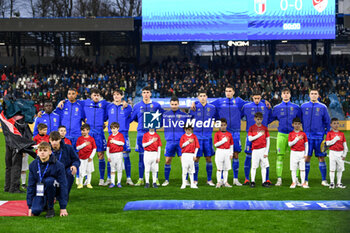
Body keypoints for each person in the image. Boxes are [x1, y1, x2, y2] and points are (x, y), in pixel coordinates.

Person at [131, 86, 164, 186]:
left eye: (147, 92)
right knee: (141, 158)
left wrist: (159, 125)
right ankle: (141, 179)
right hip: (141, 134)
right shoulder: (137, 106)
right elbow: (133, 118)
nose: (146, 94)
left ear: (150, 94)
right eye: (144, 92)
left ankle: (155, 179)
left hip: (153, 134)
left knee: (155, 158)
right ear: (141, 94)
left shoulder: (156, 105)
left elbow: (162, 116)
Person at [27, 142, 68, 218]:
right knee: (36, 211)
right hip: (40, 191)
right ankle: (44, 203)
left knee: (49, 181)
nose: (42, 152)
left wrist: (63, 207)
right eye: (40, 150)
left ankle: (50, 208)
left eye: (45, 150)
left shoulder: (58, 165)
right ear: (37, 152)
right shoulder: (33, 165)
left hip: (54, 189)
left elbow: (63, 185)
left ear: (50, 152)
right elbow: (31, 186)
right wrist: (29, 207)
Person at [271, 88, 302, 186]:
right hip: (281, 135)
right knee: (280, 156)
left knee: (296, 157)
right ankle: (279, 179)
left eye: (287, 93)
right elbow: (270, 119)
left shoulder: (296, 107)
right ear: (281, 95)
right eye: (284, 93)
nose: (285, 95)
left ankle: (296, 179)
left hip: (294, 135)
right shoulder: (276, 108)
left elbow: (302, 120)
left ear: (290, 95)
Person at [301, 88, 331, 186]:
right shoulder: (303, 106)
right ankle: (305, 180)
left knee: (321, 158)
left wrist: (328, 136)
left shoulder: (323, 107)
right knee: (307, 158)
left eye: (315, 94)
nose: (313, 95)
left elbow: (328, 122)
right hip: (307, 138)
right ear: (309, 95)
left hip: (319, 137)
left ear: (318, 95)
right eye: (312, 93)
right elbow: (299, 120)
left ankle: (324, 180)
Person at [241, 91, 272, 185]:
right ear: (252, 98)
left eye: (259, 98)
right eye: (255, 98)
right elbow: (241, 115)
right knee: (248, 156)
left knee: (265, 158)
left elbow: (271, 116)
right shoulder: (247, 106)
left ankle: (266, 179)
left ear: (261, 98)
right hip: (250, 134)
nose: (257, 100)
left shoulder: (266, 106)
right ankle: (247, 179)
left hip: (262, 135)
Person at [189, 89, 217, 186]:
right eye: (200, 96)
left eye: (204, 96)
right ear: (198, 97)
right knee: (196, 159)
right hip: (197, 138)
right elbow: (189, 121)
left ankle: (209, 180)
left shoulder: (212, 108)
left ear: (207, 97)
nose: (202, 97)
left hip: (208, 137)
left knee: (209, 158)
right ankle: (195, 180)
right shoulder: (194, 108)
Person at [82, 89, 109, 186]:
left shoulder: (104, 104)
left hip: (99, 133)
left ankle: (102, 179)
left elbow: (106, 116)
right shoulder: (85, 103)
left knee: (100, 155)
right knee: (87, 156)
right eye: (94, 95)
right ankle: (86, 179)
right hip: (88, 133)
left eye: (98, 95)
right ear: (91, 96)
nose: (96, 97)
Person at [106, 89, 133, 186]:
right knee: (111, 157)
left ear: (122, 96)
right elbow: (105, 117)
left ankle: (128, 178)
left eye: (118, 95)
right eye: (114, 95)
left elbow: (131, 117)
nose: (116, 96)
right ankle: (109, 178)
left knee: (126, 156)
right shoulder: (109, 107)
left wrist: (125, 125)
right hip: (111, 135)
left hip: (124, 134)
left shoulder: (127, 107)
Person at [162, 96, 190, 186]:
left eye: (175, 104)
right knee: (167, 161)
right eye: (172, 104)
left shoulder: (184, 116)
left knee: (184, 162)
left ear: (178, 104)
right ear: (170, 104)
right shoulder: (165, 115)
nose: (174, 106)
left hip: (181, 143)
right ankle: (166, 180)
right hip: (169, 141)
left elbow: (188, 128)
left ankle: (185, 180)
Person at [247, 112, 271, 188]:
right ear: (255, 119)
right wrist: (259, 135)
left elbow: (268, 140)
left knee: (263, 166)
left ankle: (264, 182)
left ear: (262, 119)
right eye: (257, 119)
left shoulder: (265, 128)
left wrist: (266, 151)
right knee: (254, 166)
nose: (259, 121)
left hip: (263, 150)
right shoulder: (251, 128)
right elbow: (250, 139)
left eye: (260, 119)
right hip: (255, 150)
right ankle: (253, 181)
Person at [326, 118, 348, 189]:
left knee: (340, 169)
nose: (336, 125)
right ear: (331, 125)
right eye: (334, 123)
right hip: (332, 153)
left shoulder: (342, 134)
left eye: (337, 123)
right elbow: (328, 143)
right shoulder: (329, 133)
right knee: (332, 169)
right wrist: (335, 139)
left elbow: (345, 146)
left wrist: (344, 154)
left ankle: (339, 183)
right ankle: (332, 183)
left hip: (340, 153)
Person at [288, 117, 308, 189]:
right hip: (294, 153)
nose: (297, 125)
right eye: (295, 124)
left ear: (300, 125)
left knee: (302, 169)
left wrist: (306, 154)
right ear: (293, 124)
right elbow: (290, 144)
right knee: (293, 169)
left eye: (298, 124)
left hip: (302, 153)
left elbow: (306, 144)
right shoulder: (291, 134)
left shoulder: (303, 134)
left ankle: (303, 183)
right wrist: (297, 139)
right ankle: (294, 182)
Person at [214, 118, 233, 188]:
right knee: (219, 168)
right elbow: (216, 144)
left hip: (227, 152)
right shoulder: (217, 134)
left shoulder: (229, 134)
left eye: (224, 125)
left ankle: (225, 182)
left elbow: (231, 145)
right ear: (219, 126)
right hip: (219, 151)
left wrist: (231, 153)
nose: (223, 126)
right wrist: (224, 140)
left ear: (226, 125)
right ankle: (218, 182)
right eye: (221, 125)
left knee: (226, 168)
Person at [76, 124, 96, 189]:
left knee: (89, 171)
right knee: (81, 171)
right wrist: (84, 144)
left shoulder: (91, 139)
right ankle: (80, 183)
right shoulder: (79, 139)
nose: (83, 132)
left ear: (88, 131)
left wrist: (91, 157)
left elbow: (94, 148)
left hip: (89, 158)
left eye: (84, 130)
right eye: (82, 130)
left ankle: (88, 183)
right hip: (81, 158)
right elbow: (77, 148)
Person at [179, 124, 199, 189]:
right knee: (184, 169)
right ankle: (183, 183)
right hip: (185, 154)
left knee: (191, 170)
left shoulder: (194, 136)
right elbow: (181, 146)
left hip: (191, 155)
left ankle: (192, 184)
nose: (188, 131)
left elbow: (197, 147)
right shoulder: (183, 137)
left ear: (191, 129)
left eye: (189, 129)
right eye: (186, 129)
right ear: (185, 129)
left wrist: (195, 155)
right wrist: (188, 142)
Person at [106, 122, 125, 188]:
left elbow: (122, 143)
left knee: (119, 169)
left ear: (118, 128)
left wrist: (114, 141)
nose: (113, 130)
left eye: (115, 128)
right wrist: (108, 156)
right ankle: (112, 182)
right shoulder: (110, 137)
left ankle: (119, 182)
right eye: (112, 129)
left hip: (118, 154)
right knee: (112, 169)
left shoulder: (120, 135)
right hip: (112, 155)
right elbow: (108, 147)